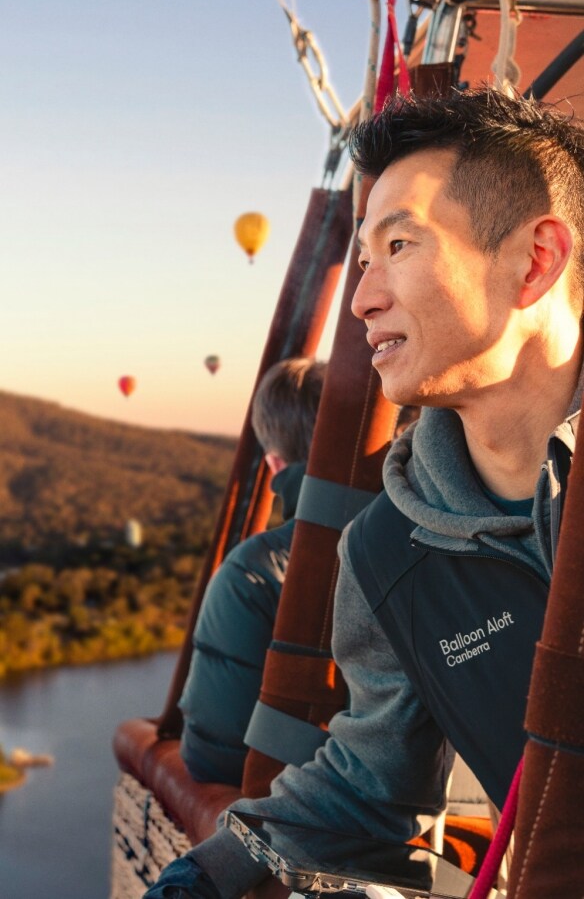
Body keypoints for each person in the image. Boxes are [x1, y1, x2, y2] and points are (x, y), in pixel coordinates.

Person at [144, 87, 584, 899]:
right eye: (361, 258)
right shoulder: (387, 551)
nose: (361, 299)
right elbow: (366, 782)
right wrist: (203, 876)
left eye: (401, 245)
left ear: (535, 260)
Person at [178, 356, 326, 786]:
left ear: (274, 465)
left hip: (311, 804)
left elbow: (215, 756)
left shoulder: (252, 574)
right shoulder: (423, 537)